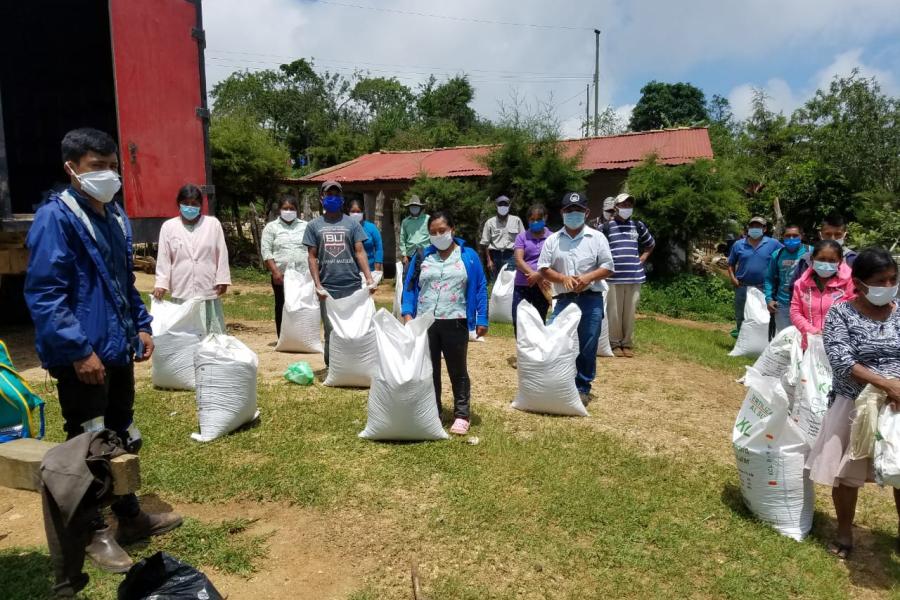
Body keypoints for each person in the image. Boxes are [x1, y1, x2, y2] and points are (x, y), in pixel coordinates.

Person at [24, 128, 181, 574]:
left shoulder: (112, 216)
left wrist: (143, 325)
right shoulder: (56, 219)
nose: (108, 174)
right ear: (72, 168)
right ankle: (94, 530)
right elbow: (46, 294)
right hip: (83, 355)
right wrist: (78, 350)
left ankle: (128, 514)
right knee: (88, 440)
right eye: (97, 167)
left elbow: (122, 282)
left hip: (116, 347)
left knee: (121, 432)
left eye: (112, 165)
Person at [806, 247, 900, 560]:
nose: (887, 286)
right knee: (847, 474)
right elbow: (841, 360)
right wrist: (885, 384)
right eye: (880, 281)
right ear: (859, 284)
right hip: (854, 403)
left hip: (898, 405)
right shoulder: (841, 314)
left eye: (892, 279)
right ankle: (845, 533)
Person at [401, 211, 488, 435]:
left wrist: (482, 317)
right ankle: (434, 410)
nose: (438, 235)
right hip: (426, 322)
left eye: (442, 231)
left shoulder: (468, 256)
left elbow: (479, 287)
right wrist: (408, 313)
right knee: (430, 370)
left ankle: (461, 414)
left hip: (455, 320)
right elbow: (409, 287)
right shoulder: (422, 256)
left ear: (452, 230)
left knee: (457, 370)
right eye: (433, 232)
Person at [538, 192, 615, 404]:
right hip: (564, 299)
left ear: (586, 213)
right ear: (562, 213)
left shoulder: (597, 238)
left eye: (578, 210)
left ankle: (582, 386)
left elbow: (608, 266)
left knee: (588, 344)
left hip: (591, 299)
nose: (573, 214)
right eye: (569, 210)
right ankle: (556, 381)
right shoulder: (553, 240)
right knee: (555, 340)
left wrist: (588, 278)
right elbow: (543, 268)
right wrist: (563, 278)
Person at [303, 181, 377, 364]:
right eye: (329, 195)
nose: (332, 198)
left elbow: (360, 251)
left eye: (336, 195)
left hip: (351, 285)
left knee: (354, 327)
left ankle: (355, 365)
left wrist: (368, 279)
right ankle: (333, 366)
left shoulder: (352, 224)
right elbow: (312, 257)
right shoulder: (313, 226)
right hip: (328, 287)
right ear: (322, 199)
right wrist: (317, 285)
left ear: (342, 199)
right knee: (331, 329)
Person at [152, 184, 230, 333]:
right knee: (184, 335)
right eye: (186, 203)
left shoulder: (212, 224)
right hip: (182, 288)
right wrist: (161, 284)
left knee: (210, 335)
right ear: (178, 204)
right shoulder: (169, 227)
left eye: (194, 204)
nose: (190, 207)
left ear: (201, 205)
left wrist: (222, 279)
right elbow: (164, 258)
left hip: (207, 287)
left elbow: (222, 253)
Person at [602, 193, 655, 357]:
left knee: (630, 312)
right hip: (613, 277)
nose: (626, 208)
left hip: (634, 276)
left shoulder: (637, 225)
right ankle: (615, 343)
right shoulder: (606, 227)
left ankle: (627, 343)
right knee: (614, 312)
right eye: (623, 205)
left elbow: (650, 244)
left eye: (629, 205)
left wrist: (642, 259)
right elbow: (598, 247)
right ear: (616, 207)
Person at [789, 240, 855, 349]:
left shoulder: (850, 283)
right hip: (810, 344)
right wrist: (813, 332)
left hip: (841, 345)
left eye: (832, 260)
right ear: (812, 259)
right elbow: (795, 312)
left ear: (839, 262)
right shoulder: (800, 284)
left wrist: (832, 332)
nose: (826, 263)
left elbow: (855, 313)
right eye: (821, 259)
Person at [261, 195, 308, 338]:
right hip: (281, 275)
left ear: (297, 210)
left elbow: (312, 249)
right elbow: (266, 250)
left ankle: (301, 337)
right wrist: (275, 272)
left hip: (302, 275)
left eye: (291, 209)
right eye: (285, 208)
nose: (288, 211)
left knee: (302, 305)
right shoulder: (271, 227)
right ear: (279, 210)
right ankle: (283, 337)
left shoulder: (305, 226)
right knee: (282, 305)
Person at [727, 216, 783, 334]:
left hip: (764, 287)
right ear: (748, 228)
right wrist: (732, 278)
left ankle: (761, 342)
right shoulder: (738, 244)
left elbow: (785, 256)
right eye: (752, 226)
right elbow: (730, 264)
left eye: (758, 226)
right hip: (742, 286)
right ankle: (741, 342)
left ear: (765, 228)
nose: (754, 228)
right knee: (741, 314)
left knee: (763, 315)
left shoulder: (773, 244)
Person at [788, 213, 858, 293]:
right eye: (828, 234)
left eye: (838, 234)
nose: (832, 238)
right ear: (820, 234)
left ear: (845, 235)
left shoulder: (852, 259)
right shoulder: (807, 259)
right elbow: (795, 288)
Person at [512, 204, 552, 335]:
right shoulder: (522, 237)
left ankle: (538, 351)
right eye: (532, 219)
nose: (535, 222)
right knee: (518, 318)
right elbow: (518, 260)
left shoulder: (552, 237)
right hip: (522, 285)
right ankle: (523, 350)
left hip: (543, 286)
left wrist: (539, 276)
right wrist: (534, 275)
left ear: (545, 218)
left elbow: (555, 260)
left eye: (538, 219)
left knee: (539, 319)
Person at [764, 224, 810, 334]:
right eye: (788, 236)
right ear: (783, 237)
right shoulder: (778, 254)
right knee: (785, 337)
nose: (791, 239)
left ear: (802, 236)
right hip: (783, 304)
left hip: (806, 304)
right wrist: (769, 299)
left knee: (805, 337)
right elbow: (769, 278)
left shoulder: (812, 252)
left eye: (795, 235)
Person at [480, 195, 524, 281]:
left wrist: (520, 258)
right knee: (496, 282)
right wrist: (489, 261)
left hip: (512, 255)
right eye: (500, 205)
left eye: (505, 205)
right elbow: (486, 243)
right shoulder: (490, 222)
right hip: (495, 256)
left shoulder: (516, 220)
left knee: (511, 282)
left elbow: (523, 240)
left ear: (509, 206)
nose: (503, 207)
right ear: (496, 206)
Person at [347, 198, 384, 275]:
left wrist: (377, 265)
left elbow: (379, 247)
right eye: (353, 212)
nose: (355, 214)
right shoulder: (345, 228)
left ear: (363, 212)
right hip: (350, 271)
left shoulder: (371, 228)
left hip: (370, 270)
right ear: (348, 212)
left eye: (358, 211)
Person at [399, 195, 430, 267]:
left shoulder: (427, 219)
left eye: (416, 206)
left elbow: (433, 235)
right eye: (412, 206)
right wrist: (404, 255)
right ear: (409, 208)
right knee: (410, 276)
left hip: (426, 253)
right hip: (410, 254)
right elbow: (402, 239)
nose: (414, 208)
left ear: (420, 207)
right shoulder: (405, 222)